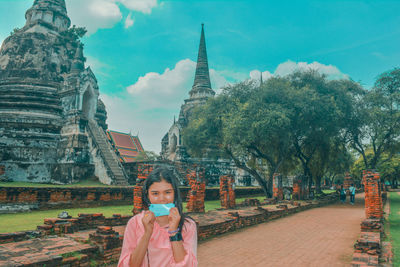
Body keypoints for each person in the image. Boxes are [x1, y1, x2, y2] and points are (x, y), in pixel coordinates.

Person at [118, 167, 198, 267]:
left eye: (168, 192)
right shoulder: (134, 223)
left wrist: (174, 231)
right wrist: (147, 233)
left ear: (175, 193)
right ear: (147, 195)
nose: (162, 199)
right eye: (155, 193)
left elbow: (187, 265)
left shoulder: (188, 225)